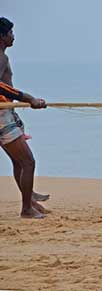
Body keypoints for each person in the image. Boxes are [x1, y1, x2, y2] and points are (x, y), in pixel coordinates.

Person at [0, 17, 48, 219]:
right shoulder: (0, 57)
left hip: (5, 111)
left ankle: (30, 202)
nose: (14, 36)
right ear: (2, 36)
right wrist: (27, 98)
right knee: (28, 162)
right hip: (1, 115)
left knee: (19, 162)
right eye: (10, 33)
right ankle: (27, 209)